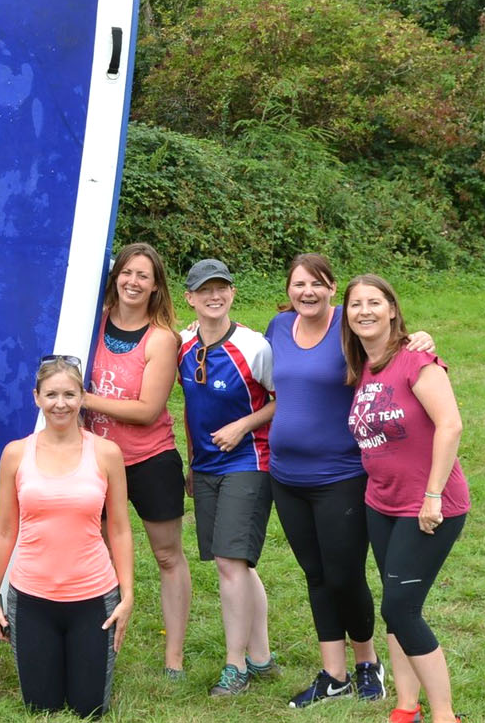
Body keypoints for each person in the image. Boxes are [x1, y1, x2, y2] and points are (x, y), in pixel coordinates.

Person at [269, 254, 435, 708]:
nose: (307, 292)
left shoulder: (349, 324)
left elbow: (391, 344)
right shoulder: (278, 328)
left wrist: (420, 339)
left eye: (317, 284)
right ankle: (333, 673)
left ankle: (368, 662)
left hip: (340, 474)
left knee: (343, 575)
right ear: (288, 289)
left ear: (331, 288)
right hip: (285, 475)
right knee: (315, 574)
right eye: (298, 284)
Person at [342, 275, 470, 723]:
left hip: (431, 506)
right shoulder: (364, 367)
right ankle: (405, 706)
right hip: (383, 505)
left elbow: (450, 425)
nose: (365, 311)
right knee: (395, 607)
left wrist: (432, 495)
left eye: (374, 302)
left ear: (392, 309)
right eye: (355, 304)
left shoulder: (417, 360)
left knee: (400, 607)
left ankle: (444, 715)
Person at [0, 355, 133, 719]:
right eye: (51, 394)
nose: (61, 403)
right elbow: (5, 529)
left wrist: (127, 594)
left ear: (82, 397)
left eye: (70, 394)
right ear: (37, 397)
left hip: (93, 598)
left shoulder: (106, 453)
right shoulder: (16, 454)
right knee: (42, 708)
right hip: (32, 597)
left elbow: (118, 528)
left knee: (90, 709)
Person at [80, 243, 189, 678]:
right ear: (116, 278)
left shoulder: (162, 338)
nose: (133, 282)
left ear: (156, 285)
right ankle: (100, 647)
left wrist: (84, 398)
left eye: (144, 275)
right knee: (99, 554)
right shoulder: (92, 326)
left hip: (149, 460)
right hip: (96, 460)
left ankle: (174, 660)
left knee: (167, 556)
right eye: (127, 273)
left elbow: (147, 409)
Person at [177, 258, 278, 697]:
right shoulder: (181, 344)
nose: (214, 296)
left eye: (222, 288)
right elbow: (189, 408)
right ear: (190, 298)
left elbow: (283, 399)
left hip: (250, 462)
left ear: (233, 293)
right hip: (205, 467)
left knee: (229, 562)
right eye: (205, 290)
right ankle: (261, 657)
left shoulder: (254, 346)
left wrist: (244, 425)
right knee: (237, 563)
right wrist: (191, 462)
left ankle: (235, 666)